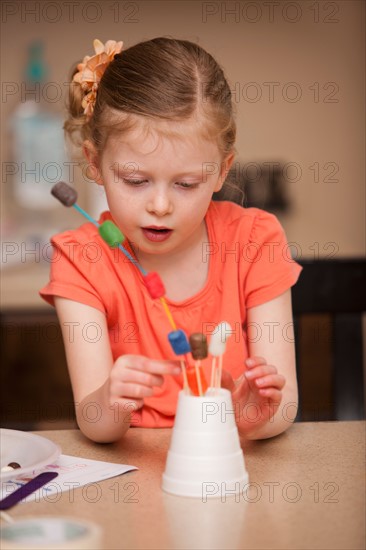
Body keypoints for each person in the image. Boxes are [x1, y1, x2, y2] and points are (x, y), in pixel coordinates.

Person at [40, 37, 302, 443]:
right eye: (136, 180)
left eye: (186, 184)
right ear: (94, 163)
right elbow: (94, 423)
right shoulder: (81, 258)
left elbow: (282, 407)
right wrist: (111, 400)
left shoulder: (255, 241)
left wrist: (252, 412)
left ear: (220, 171)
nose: (159, 205)